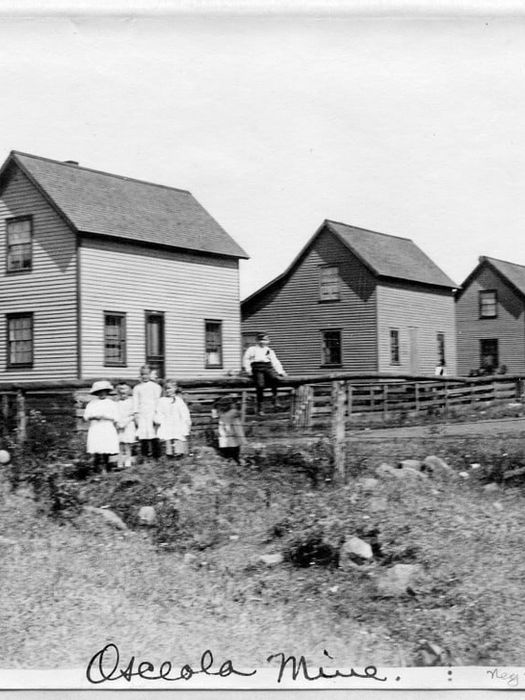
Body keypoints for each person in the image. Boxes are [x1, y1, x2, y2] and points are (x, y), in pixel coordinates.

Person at [242, 333, 286, 415]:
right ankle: (260, 408)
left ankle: (275, 400)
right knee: (260, 385)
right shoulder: (252, 349)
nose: (263, 342)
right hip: (257, 367)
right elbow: (246, 359)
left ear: (268, 341)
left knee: (275, 379)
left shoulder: (269, 350)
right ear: (257, 341)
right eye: (261, 340)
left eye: (265, 340)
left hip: (267, 367)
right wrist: (248, 370)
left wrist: (281, 371)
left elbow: (275, 362)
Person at [83, 380, 119, 471]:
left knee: (106, 446)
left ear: (107, 392)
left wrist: (105, 416)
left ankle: (106, 467)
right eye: (100, 392)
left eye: (104, 392)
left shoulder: (111, 403)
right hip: (96, 427)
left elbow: (116, 417)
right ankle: (97, 467)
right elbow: (86, 416)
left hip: (107, 426)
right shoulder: (92, 403)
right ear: (96, 393)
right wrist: (94, 416)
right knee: (97, 446)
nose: (102, 394)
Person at [154, 379, 192, 459]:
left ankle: (179, 455)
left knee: (178, 437)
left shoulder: (179, 401)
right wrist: (159, 419)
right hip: (166, 423)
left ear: (175, 389)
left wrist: (186, 421)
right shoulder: (161, 401)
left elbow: (184, 412)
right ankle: (169, 456)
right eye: (166, 388)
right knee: (167, 439)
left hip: (177, 423)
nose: (168, 390)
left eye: (170, 388)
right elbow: (159, 411)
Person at [132, 364, 162, 460]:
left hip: (152, 412)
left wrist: (157, 413)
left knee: (154, 434)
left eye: (146, 374)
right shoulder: (137, 388)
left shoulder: (156, 387)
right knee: (143, 435)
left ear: (150, 374)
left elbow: (158, 400)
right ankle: (145, 456)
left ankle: (156, 456)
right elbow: (135, 402)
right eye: (142, 374)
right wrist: (136, 413)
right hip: (142, 413)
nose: (144, 376)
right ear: (140, 375)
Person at [215, 396, 245, 464]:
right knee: (229, 444)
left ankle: (232, 458)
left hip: (230, 429)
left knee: (231, 444)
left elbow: (226, 422)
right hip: (228, 429)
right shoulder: (227, 412)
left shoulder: (228, 412)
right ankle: (231, 458)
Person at [115, 383, 136, 468]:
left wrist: (125, 422)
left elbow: (133, 414)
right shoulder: (116, 403)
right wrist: (118, 423)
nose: (123, 392)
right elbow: (115, 414)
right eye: (121, 390)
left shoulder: (132, 402)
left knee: (127, 444)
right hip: (119, 425)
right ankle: (120, 462)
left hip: (128, 425)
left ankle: (128, 462)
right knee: (120, 444)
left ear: (129, 391)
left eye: (125, 390)